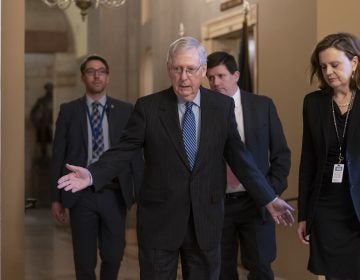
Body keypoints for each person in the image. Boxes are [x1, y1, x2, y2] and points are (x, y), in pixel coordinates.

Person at [57, 37, 294, 280]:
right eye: (177, 69)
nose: (183, 77)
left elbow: (240, 158)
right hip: (159, 222)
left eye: (190, 69)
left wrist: (268, 197)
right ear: (169, 70)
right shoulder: (148, 107)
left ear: (202, 70)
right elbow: (124, 150)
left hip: (205, 221)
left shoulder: (221, 107)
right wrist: (93, 173)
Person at [50, 54, 144, 280]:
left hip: (114, 192)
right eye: (91, 71)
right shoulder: (69, 111)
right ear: (83, 77)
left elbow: (134, 154)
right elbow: (58, 155)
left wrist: (139, 192)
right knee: (84, 259)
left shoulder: (125, 110)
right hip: (80, 195)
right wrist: (56, 198)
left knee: (113, 255)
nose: (96, 75)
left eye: (101, 71)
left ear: (108, 77)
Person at [206, 51, 291, 280]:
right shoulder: (203, 110)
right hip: (219, 204)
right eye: (210, 77)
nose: (215, 83)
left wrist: (269, 193)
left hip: (256, 204)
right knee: (222, 270)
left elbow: (281, 155)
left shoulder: (262, 106)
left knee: (261, 268)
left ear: (236, 75)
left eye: (221, 76)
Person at [297, 32, 360, 280]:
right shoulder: (313, 103)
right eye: (323, 67)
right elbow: (308, 162)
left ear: (354, 62)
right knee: (333, 275)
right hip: (325, 208)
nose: (328, 72)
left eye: (335, 65)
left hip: (357, 207)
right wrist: (303, 214)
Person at [30, 81, 54, 158]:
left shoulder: (55, 100)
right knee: (42, 144)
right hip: (43, 125)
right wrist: (36, 123)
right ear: (46, 89)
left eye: (50, 88)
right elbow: (33, 113)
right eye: (48, 88)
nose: (49, 90)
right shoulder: (41, 100)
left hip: (53, 124)